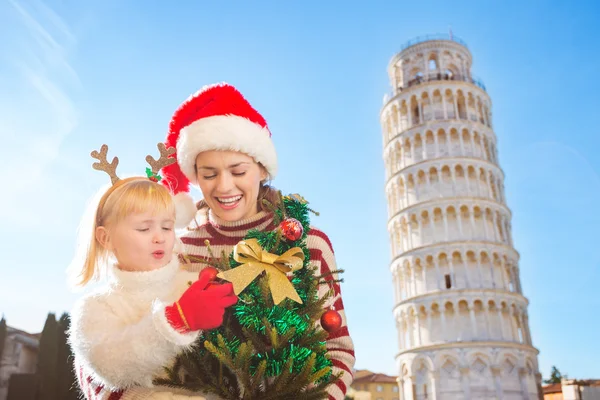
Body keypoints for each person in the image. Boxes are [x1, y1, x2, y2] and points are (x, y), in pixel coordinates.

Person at [78, 83, 355, 400]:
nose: (224, 187)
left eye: (238, 171)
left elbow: (336, 350)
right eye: (209, 174)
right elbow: (101, 359)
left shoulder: (305, 245)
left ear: (262, 169)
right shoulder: (173, 248)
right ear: (194, 176)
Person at [69, 144, 237, 399]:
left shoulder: (194, 284)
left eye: (167, 227)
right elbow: (109, 365)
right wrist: (175, 320)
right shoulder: (96, 308)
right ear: (106, 238)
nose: (159, 238)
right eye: (144, 229)